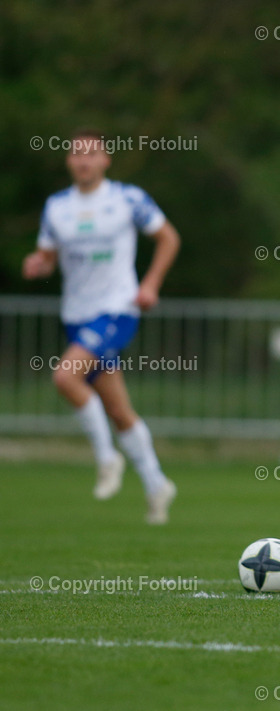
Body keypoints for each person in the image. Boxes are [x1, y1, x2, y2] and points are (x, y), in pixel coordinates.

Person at [22, 128, 180, 524]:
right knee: (118, 409)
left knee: (64, 378)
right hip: (76, 315)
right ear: (68, 160)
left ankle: (107, 458)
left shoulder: (127, 198)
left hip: (117, 309)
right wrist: (38, 264)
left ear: (106, 159)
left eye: (91, 153)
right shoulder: (56, 206)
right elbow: (47, 255)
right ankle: (157, 484)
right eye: (76, 154)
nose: (83, 160)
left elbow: (168, 238)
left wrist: (150, 284)